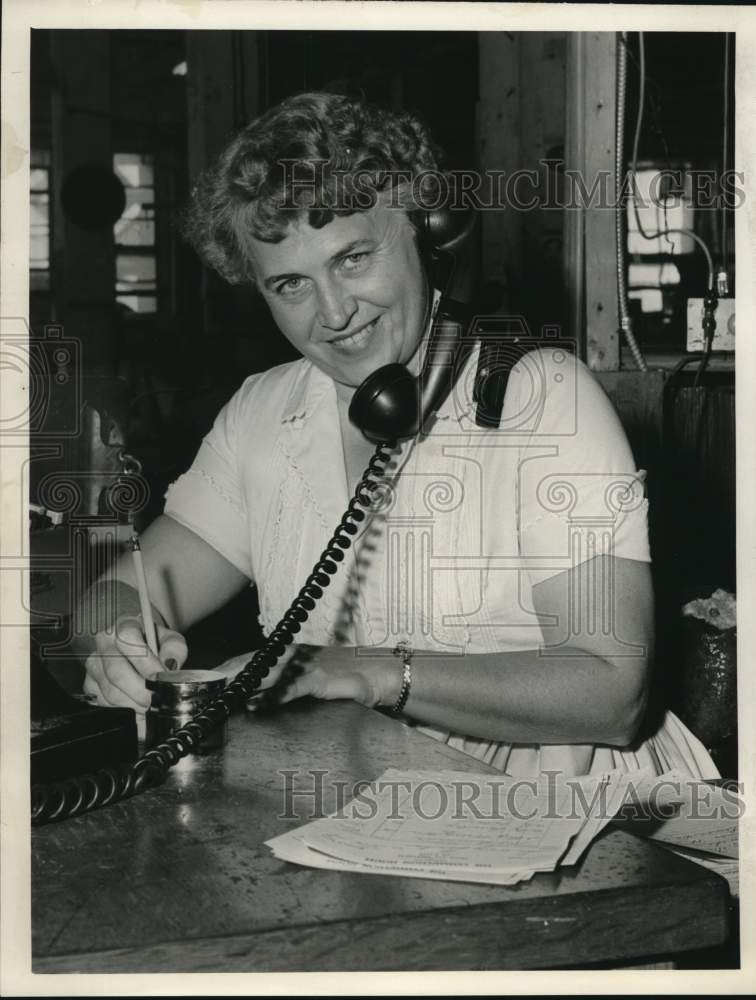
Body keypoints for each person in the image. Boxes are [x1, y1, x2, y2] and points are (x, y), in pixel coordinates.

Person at [80, 92, 717, 780]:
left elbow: (611, 692)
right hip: (354, 807)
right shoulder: (264, 413)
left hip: (568, 816)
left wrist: (359, 671)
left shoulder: (541, 398)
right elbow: (121, 594)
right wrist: (115, 641)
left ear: (428, 228)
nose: (334, 311)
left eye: (353, 258)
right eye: (291, 284)